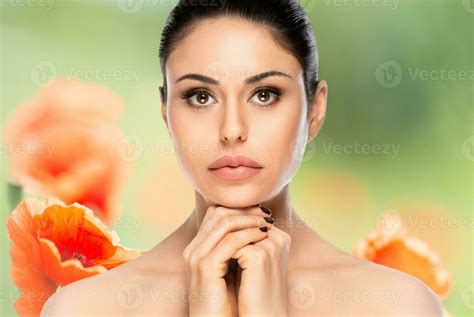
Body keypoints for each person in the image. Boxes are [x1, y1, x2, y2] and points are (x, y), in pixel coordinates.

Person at [41, 0, 444, 315]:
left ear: (315, 110)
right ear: (168, 115)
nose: (232, 129)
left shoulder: (399, 306)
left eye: (264, 94)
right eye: (200, 96)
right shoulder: (83, 309)